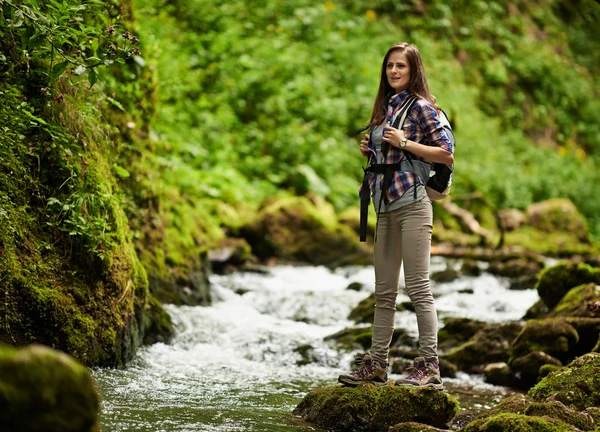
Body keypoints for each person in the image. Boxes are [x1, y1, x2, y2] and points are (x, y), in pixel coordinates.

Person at [338, 42, 454, 390]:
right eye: (389, 65)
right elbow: (386, 152)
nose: (393, 71)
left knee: (418, 287)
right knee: (384, 291)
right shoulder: (386, 108)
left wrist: (404, 143)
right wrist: (372, 148)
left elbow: (445, 154)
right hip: (385, 205)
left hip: (414, 203)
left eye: (400, 66)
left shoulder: (422, 107)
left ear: (413, 69)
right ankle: (376, 364)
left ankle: (430, 366)